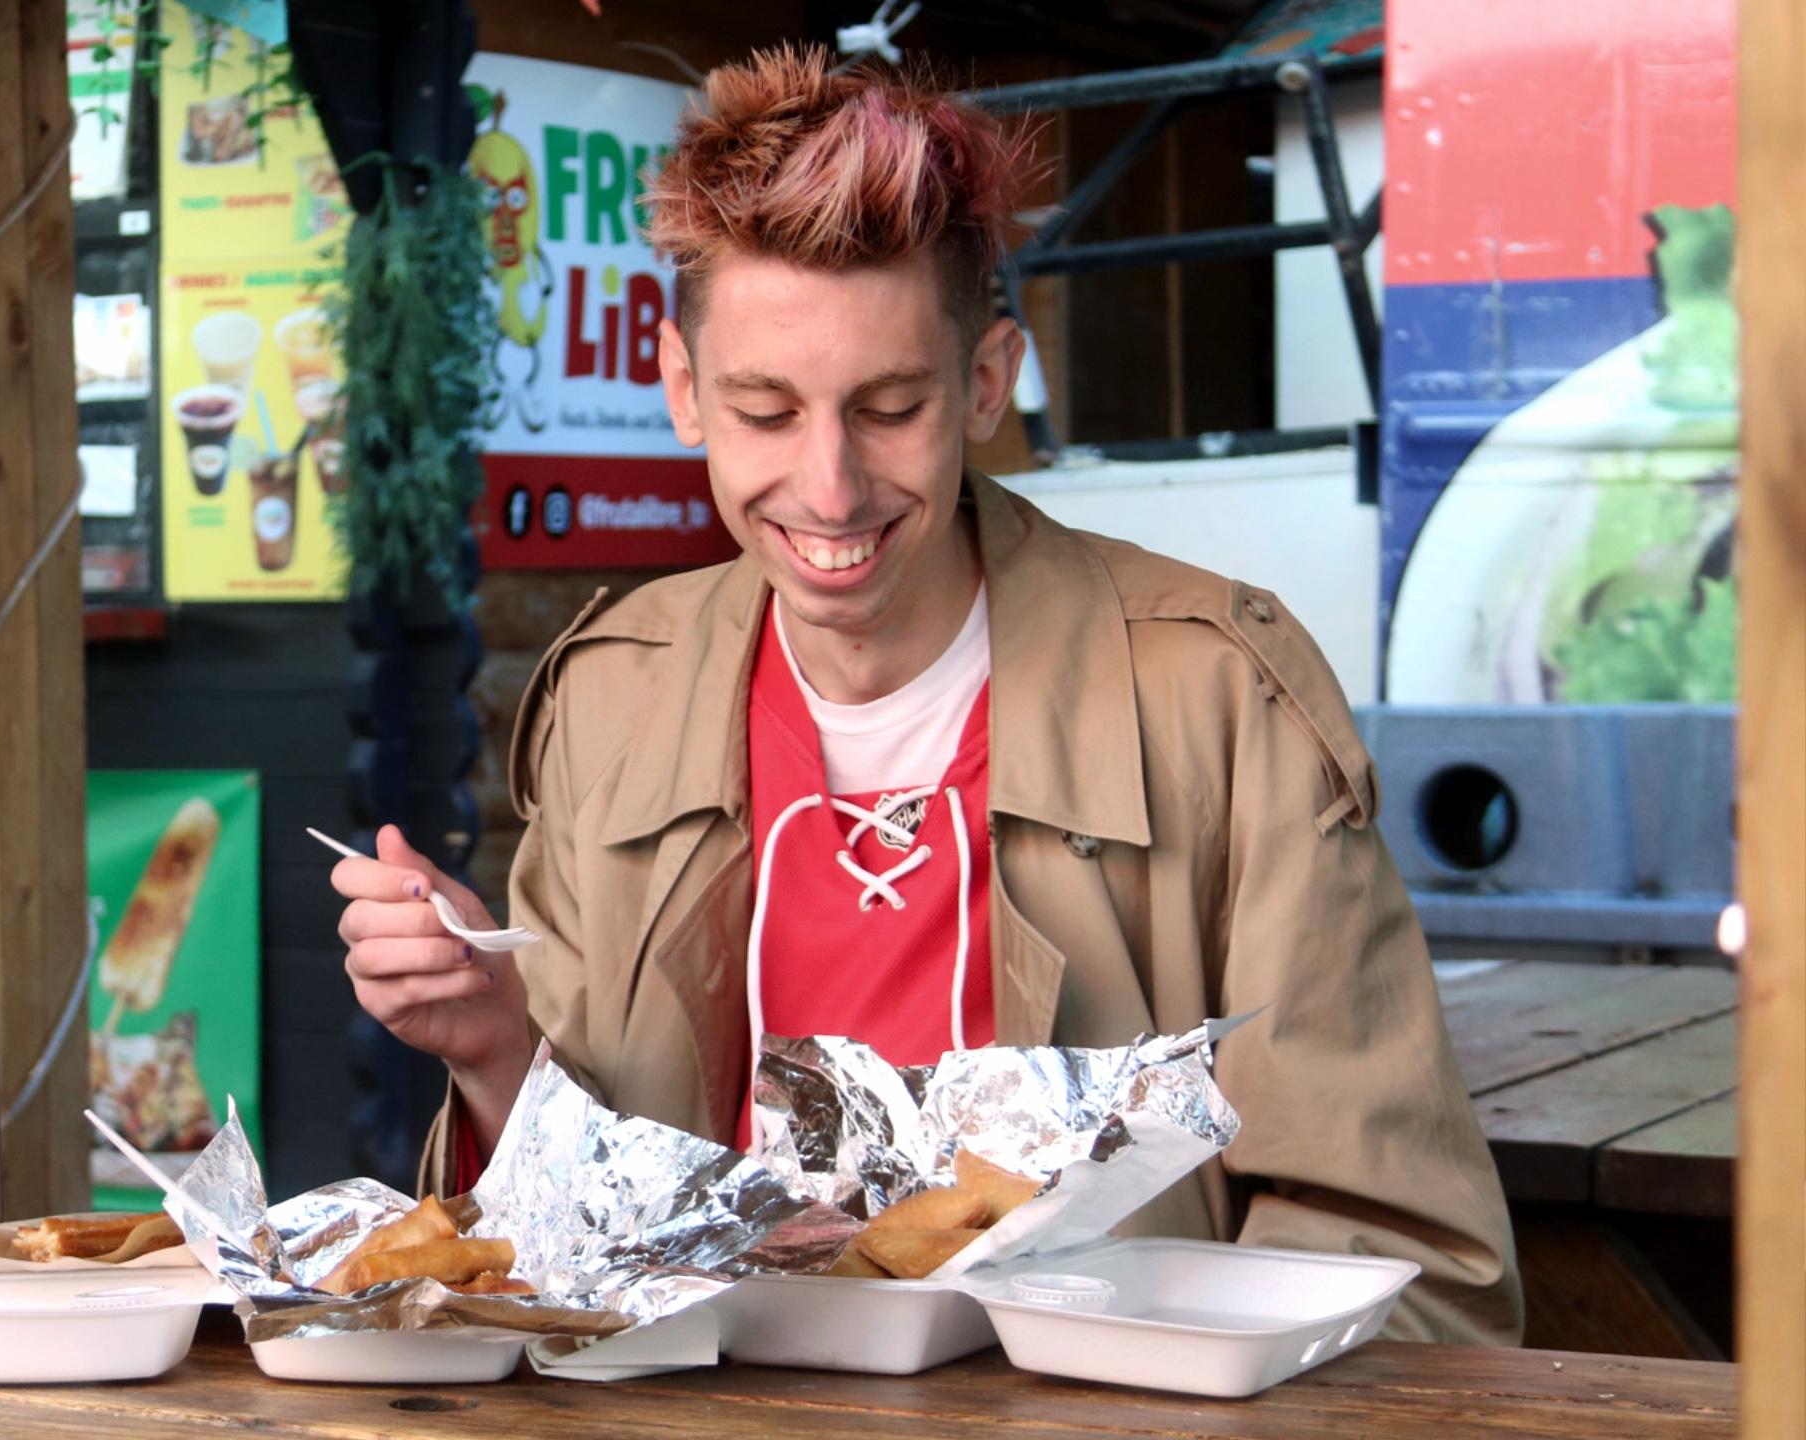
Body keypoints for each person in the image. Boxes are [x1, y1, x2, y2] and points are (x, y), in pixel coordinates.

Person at [331, 46, 1520, 1345]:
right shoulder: (616, 697)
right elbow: (565, 1256)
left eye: (890, 407)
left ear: (986, 382)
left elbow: (1413, 1275)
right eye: (766, 412)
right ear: (683, 394)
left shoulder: (1218, 698)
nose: (830, 490)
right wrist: (496, 1048)